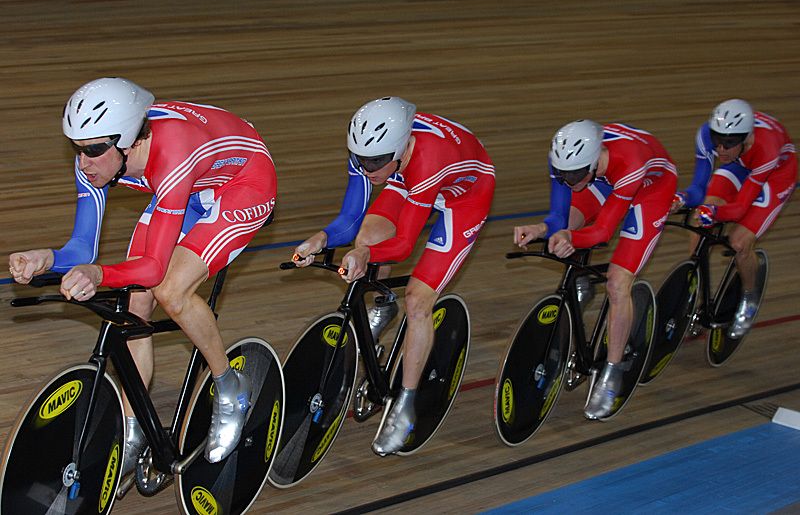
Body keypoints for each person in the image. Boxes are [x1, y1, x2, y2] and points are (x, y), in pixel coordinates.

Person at [8, 78, 277, 475]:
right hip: (191, 184)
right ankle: (134, 428)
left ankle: (230, 385)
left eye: (94, 151)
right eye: (77, 150)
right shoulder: (97, 157)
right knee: (135, 302)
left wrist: (97, 274)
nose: (83, 163)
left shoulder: (172, 154)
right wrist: (46, 257)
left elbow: (152, 268)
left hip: (244, 182)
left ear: (129, 140)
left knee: (171, 290)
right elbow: (83, 248)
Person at [292, 97, 495, 455]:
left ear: (400, 149)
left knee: (418, 300)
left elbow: (402, 245)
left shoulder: (425, 160)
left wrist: (364, 256)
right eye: (360, 160)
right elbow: (351, 218)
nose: (367, 169)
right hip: (409, 177)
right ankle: (384, 302)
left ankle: (404, 403)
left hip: (465, 196)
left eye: (375, 163)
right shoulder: (373, 154)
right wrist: (321, 238)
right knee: (366, 236)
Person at [514, 120, 677, 420]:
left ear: (592, 161)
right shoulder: (565, 162)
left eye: (575, 174)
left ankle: (612, 372)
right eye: (563, 174)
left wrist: (571, 239)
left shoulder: (630, 162)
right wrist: (541, 229)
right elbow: (558, 216)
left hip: (650, 187)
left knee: (617, 282)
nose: (568, 180)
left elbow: (603, 231)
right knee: (564, 229)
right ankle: (582, 283)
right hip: (603, 180)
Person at [671, 99, 796, 339]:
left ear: (746, 137)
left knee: (740, 242)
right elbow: (698, 188)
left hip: (775, 174)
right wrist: (682, 198)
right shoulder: (707, 136)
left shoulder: (765, 146)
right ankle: (693, 289)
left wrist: (715, 213)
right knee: (699, 222)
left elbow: (739, 209)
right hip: (741, 165)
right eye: (717, 141)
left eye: (728, 144)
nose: (720, 150)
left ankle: (748, 298)